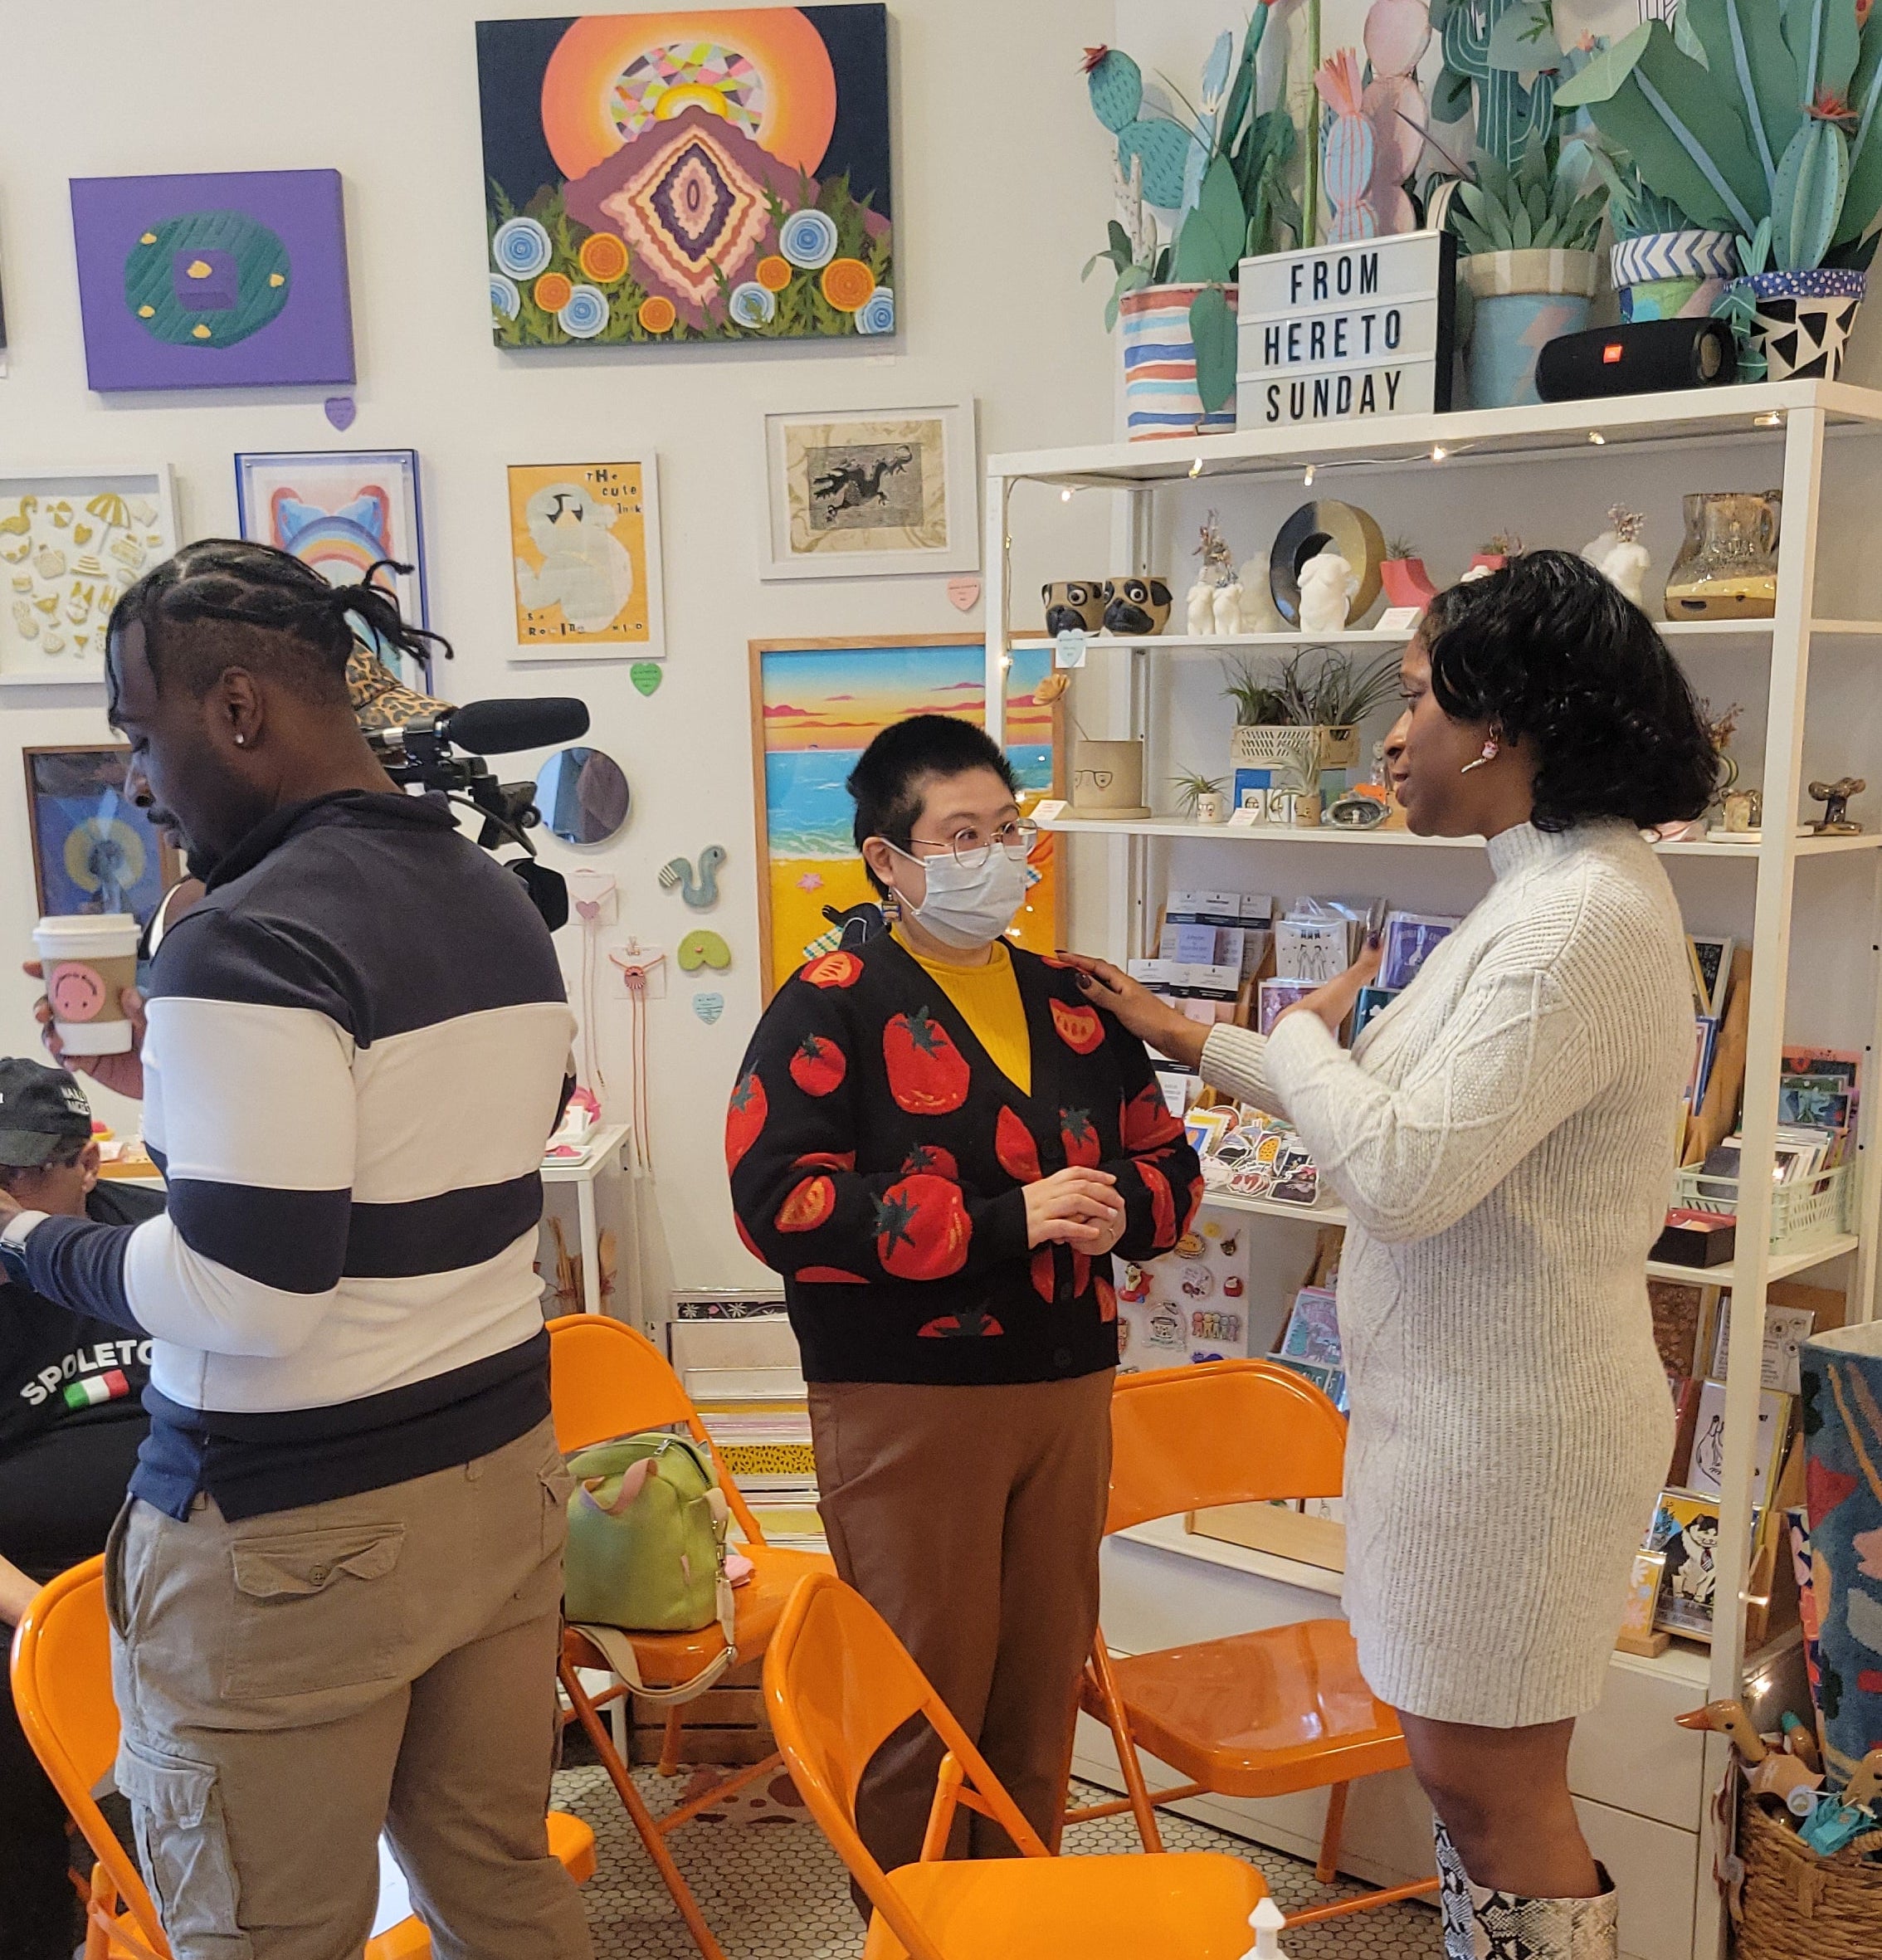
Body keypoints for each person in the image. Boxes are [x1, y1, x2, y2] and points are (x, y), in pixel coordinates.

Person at [1065, 551, 1718, 1960]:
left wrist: (1292, 1036)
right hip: (1465, 1423)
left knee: (1493, 1797)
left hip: (1507, 1439)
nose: (1391, 737)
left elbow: (1405, 1172)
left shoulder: (1567, 923)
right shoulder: (1543, 889)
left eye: (1417, 698)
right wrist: (1210, 1041)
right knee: (1467, 1786)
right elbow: (1408, 1117)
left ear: (1505, 722)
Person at [0, 540, 591, 1960]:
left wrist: (37, 1239)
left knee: (267, 1934)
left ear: (242, 710)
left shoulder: (250, 943)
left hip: (291, 1534)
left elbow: (244, 1294)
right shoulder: (491, 895)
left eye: (143, 733)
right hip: (495, 1473)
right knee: (499, 1883)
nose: (138, 778)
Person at [727, 714, 1202, 1890]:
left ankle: (1016, 1916)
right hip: (907, 1395)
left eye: (1005, 828)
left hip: (1067, 1383)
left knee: (1037, 1696)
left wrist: (1121, 1213)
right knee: (918, 1702)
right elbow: (778, 1200)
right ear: (889, 858)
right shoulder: (832, 1000)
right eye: (960, 833)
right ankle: (910, 1924)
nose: (994, 854)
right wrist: (1006, 1219)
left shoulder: (1073, 1001)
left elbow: (1171, 1170)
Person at [0, 1060, 163, 1960]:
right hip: (34, 1596)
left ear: (88, 1163)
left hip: (200, 1561)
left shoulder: (154, 1241)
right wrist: (53, 1617)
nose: (1, 1198)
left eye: (23, 1173)